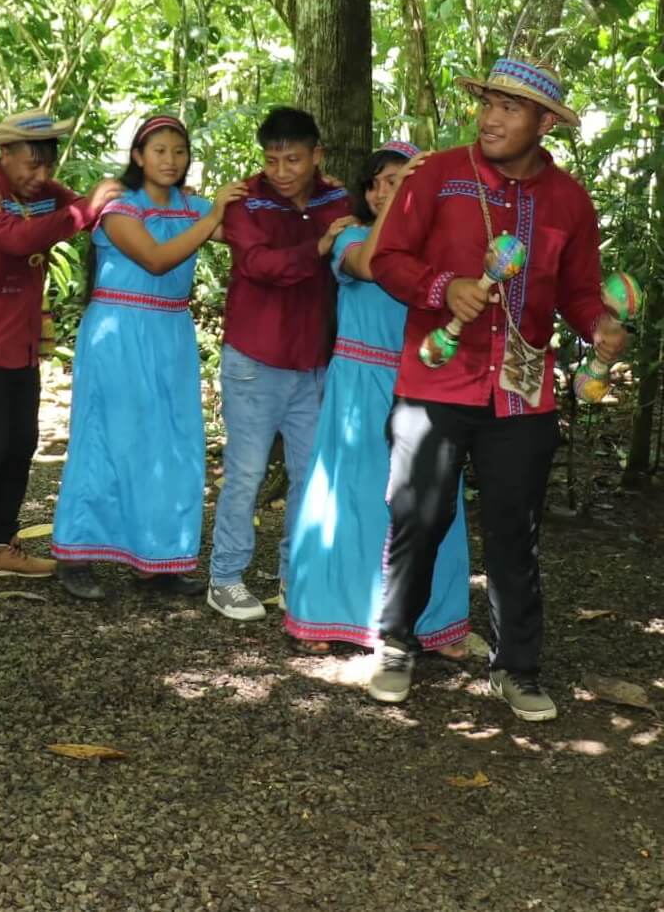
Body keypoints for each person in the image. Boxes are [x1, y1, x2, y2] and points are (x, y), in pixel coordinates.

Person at [368, 59, 627, 720]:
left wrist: (596, 323)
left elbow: (574, 290)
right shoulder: (435, 175)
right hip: (435, 381)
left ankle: (516, 668)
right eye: (487, 103)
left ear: (544, 124)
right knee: (418, 516)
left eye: (510, 109)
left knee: (515, 530)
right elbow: (386, 258)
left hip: (521, 391)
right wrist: (440, 288)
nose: (490, 118)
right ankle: (396, 644)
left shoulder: (568, 199)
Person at [0, 109, 123, 598]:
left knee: (21, 445)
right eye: (30, 164)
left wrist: (94, 199)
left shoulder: (43, 193)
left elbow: (71, 204)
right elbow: (20, 240)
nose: (40, 176)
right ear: (4, 153)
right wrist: (86, 208)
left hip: (21, 343)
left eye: (47, 166)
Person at [283, 143, 470, 655]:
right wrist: (403, 207)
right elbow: (373, 265)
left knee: (431, 499)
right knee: (348, 497)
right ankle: (325, 617)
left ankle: (436, 623)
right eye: (378, 182)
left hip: (424, 382)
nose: (384, 191)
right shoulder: (352, 238)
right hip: (358, 385)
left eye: (398, 181)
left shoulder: (439, 249)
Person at [52, 115, 246, 599]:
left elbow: (253, 226)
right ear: (139, 156)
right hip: (118, 332)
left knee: (171, 441)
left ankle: (157, 559)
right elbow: (157, 259)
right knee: (105, 439)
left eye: (179, 151)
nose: (170, 160)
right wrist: (212, 216)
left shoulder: (192, 206)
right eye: (159, 150)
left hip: (170, 332)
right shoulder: (120, 205)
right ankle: (78, 554)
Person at [205, 107, 354, 621]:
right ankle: (225, 577)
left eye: (293, 159)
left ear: (318, 156)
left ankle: (295, 578)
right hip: (254, 360)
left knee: (308, 476)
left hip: (311, 363)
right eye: (272, 160)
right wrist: (319, 246)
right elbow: (258, 265)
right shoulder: (246, 201)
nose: (282, 170)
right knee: (245, 473)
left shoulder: (338, 199)